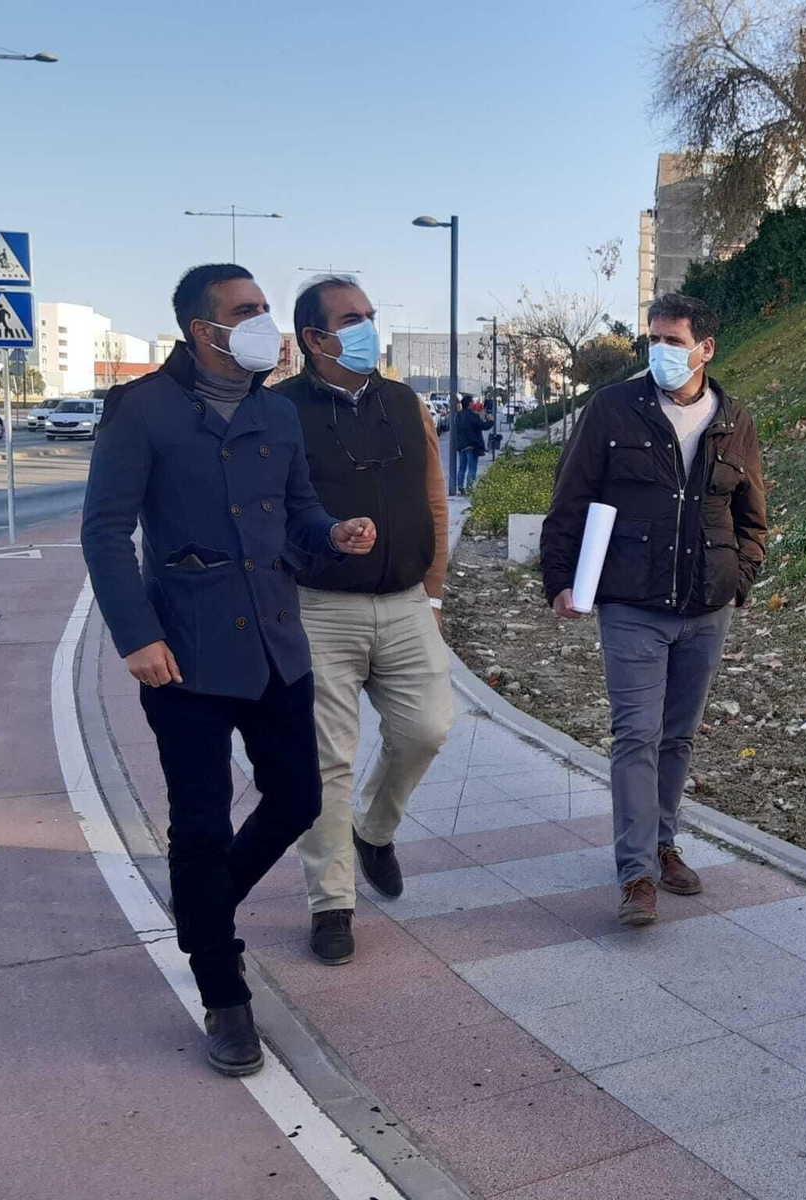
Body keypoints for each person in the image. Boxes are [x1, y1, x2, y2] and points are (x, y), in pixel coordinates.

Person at [81, 264, 377, 1076]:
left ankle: (202, 909)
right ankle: (224, 990)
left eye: (263, 309)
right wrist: (134, 636)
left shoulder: (275, 412)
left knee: (298, 797)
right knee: (201, 826)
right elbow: (105, 534)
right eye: (244, 312)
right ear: (200, 330)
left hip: (277, 643)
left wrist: (333, 532)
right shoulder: (141, 410)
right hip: (184, 654)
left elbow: (298, 510)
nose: (261, 323)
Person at [541, 293, 766, 926]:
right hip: (632, 604)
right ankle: (636, 873)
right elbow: (571, 497)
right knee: (635, 734)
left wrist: (738, 577)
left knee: (677, 737)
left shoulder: (734, 419)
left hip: (706, 607)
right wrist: (559, 579)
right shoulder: (613, 408)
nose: (659, 351)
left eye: (673, 340)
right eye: (654, 339)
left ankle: (665, 844)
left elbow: (753, 515)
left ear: (705, 348)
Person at [273, 276, 454, 964]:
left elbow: (434, 500)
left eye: (371, 317)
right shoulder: (278, 411)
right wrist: (320, 540)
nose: (368, 329)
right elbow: (269, 514)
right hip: (318, 609)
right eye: (352, 320)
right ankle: (332, 903)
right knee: (326, 762)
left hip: (406, 603)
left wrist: (434, 597)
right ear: (315, 338)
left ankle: (374, 831)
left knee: (428, 728)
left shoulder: (406, 404)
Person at [452, 394, 487, 491]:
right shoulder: (472, 416)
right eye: (472, 402)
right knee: (472, 468)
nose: (474, 404)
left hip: (461, 446)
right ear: (469, 404)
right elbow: (483, 426)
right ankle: (469, 487)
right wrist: (491, 421)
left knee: (462, 468)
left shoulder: (458, 416)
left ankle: (460, 487)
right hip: (471, 446)